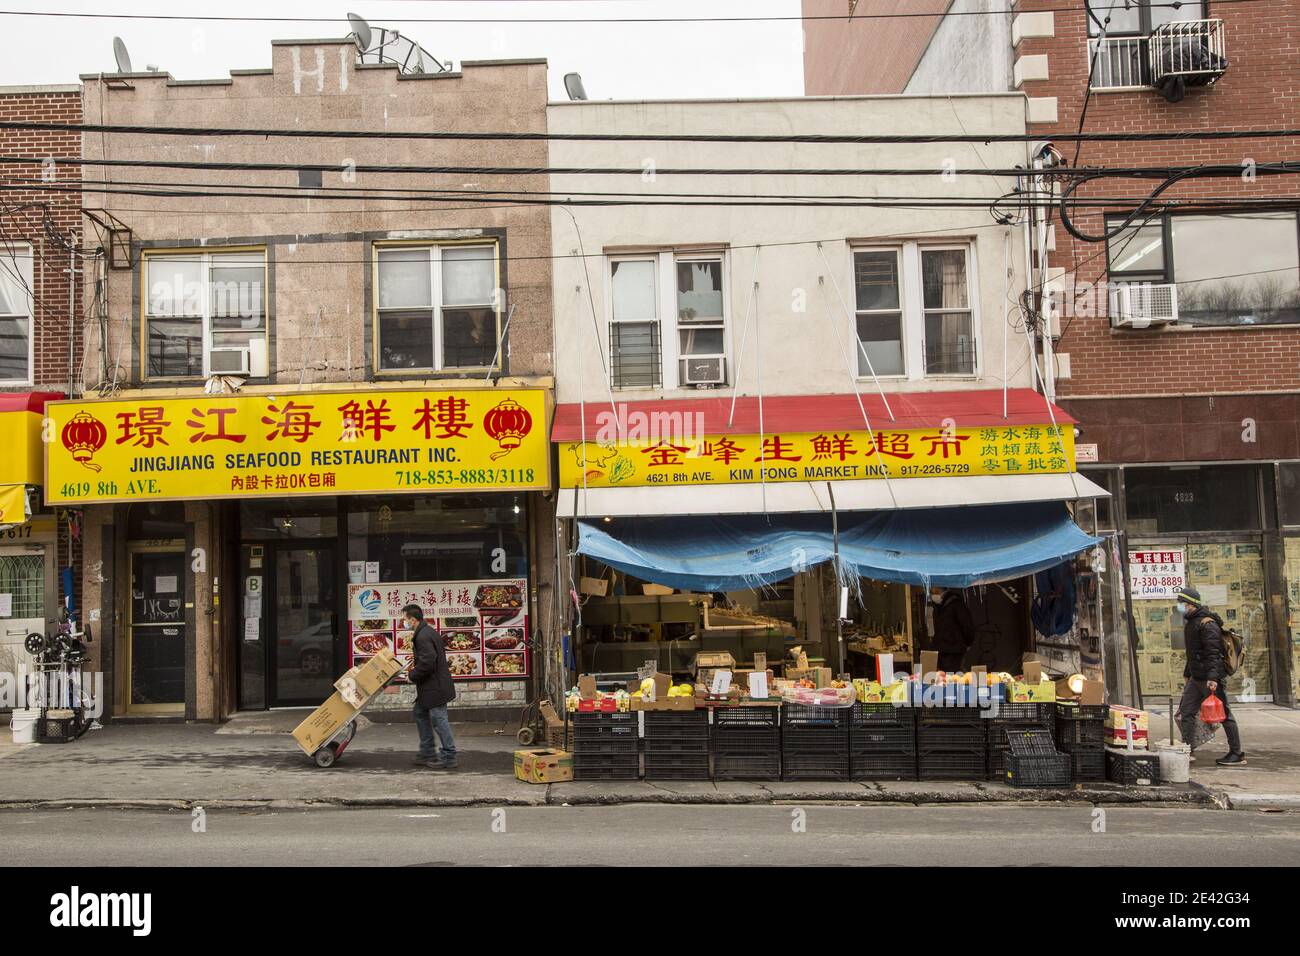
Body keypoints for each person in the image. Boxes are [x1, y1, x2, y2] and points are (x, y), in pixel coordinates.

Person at [1175, 585, 1245, 766]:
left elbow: (1213, 654)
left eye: (1182, 603)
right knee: (1186, 712)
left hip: (1209, 679)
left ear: (1191, 604)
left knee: (1224, 714)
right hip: (1196, 677)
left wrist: (1213, 679)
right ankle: (1187, 748)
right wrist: (1187, 673)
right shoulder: (1191, 622)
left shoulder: (1208, 624)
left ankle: (1236, 752)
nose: (1180, 606)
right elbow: (1193, 653)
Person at [404, 603, 458, 770]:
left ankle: (449, 755)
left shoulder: (423, 636)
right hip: (431, 686)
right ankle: (427, 752)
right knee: (420, 712)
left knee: (438, 719)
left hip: (435, 687)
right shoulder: (427, 631)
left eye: (405, 620)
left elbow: (428, 662)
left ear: (413, 620)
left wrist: (412, 675)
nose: (404, 623)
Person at [929, 587, 975, 672]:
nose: (931, 592)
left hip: (954, 650)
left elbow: (967, 626)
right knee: (943, 678)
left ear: (937, 589)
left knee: (952, 677)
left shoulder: (956, 604)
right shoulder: (937, 607)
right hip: (941, 649)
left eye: (932, 589)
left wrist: (968, 643)